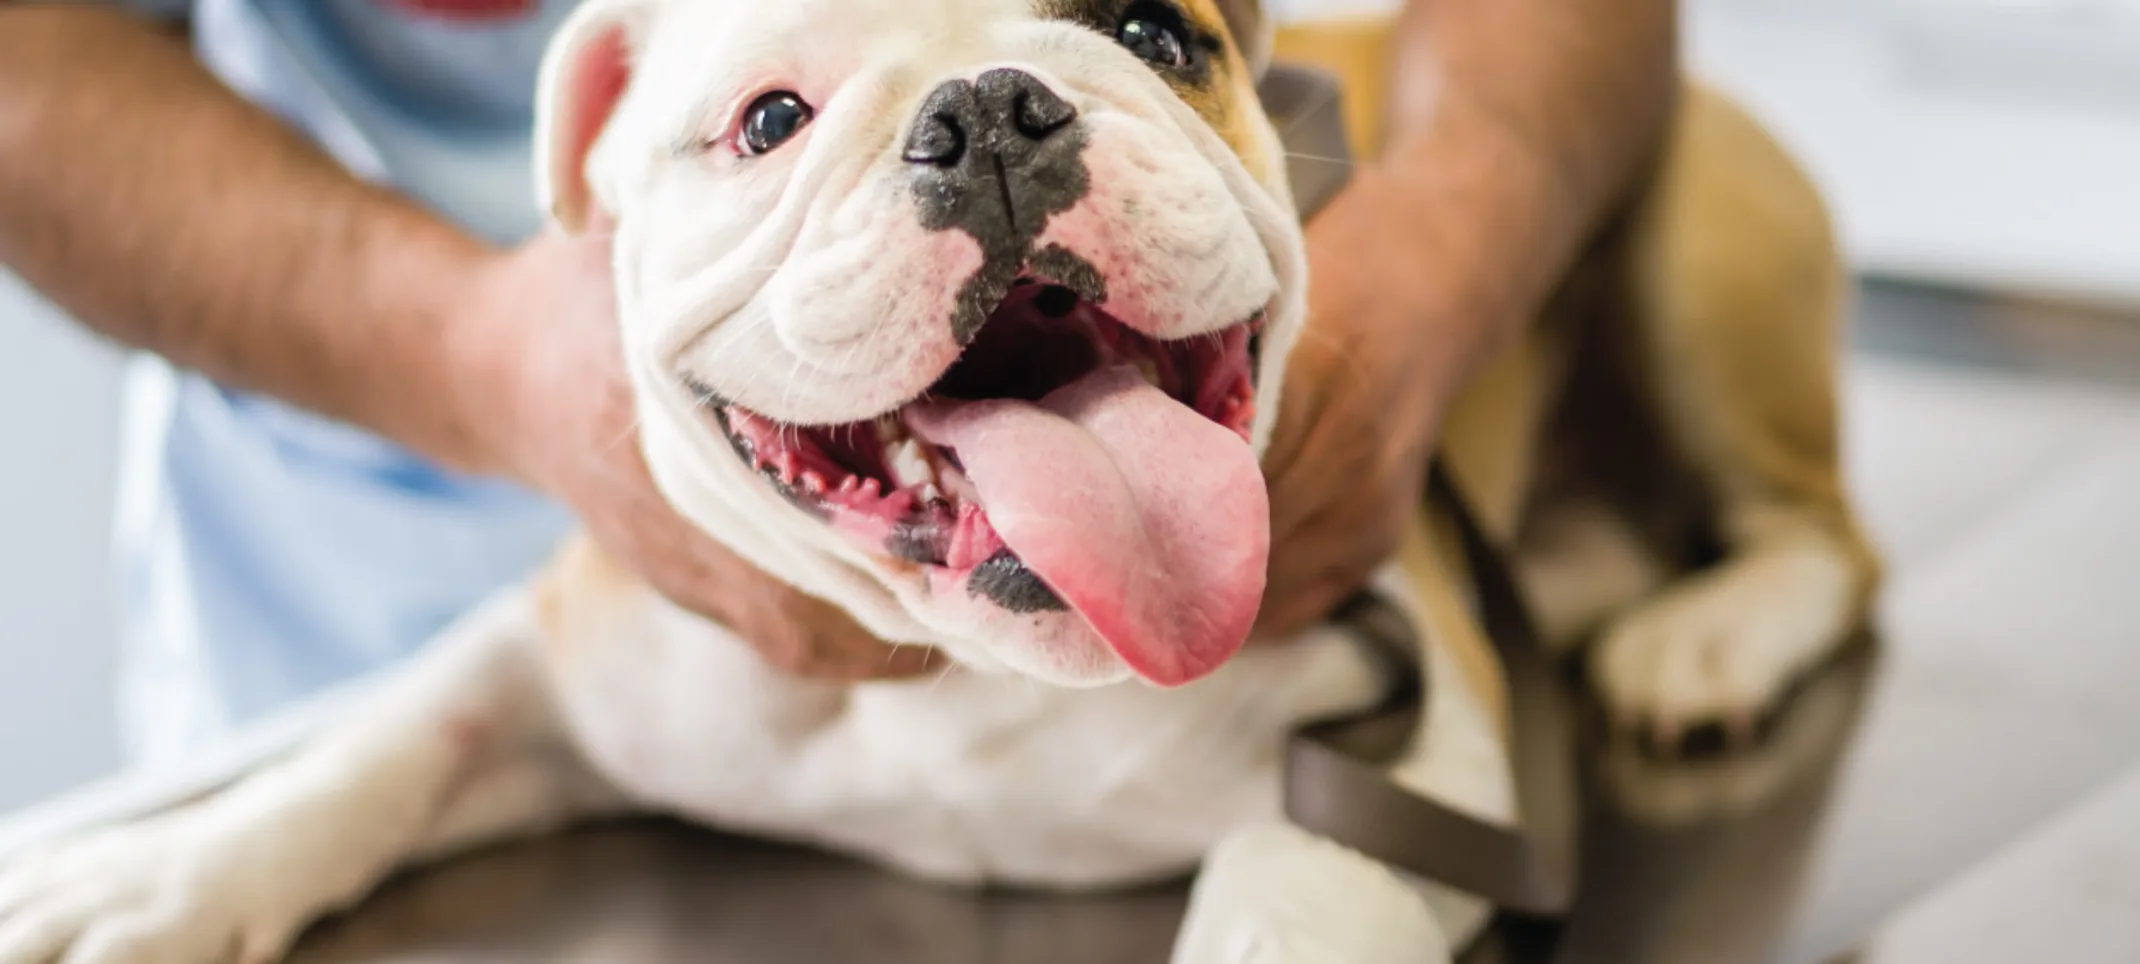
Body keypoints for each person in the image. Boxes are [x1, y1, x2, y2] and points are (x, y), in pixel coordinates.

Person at [0, 0, 1674, 766]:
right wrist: (478, 355)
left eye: (1141, 27)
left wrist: (1441, 256)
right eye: (777, 120)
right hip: (343, 603)